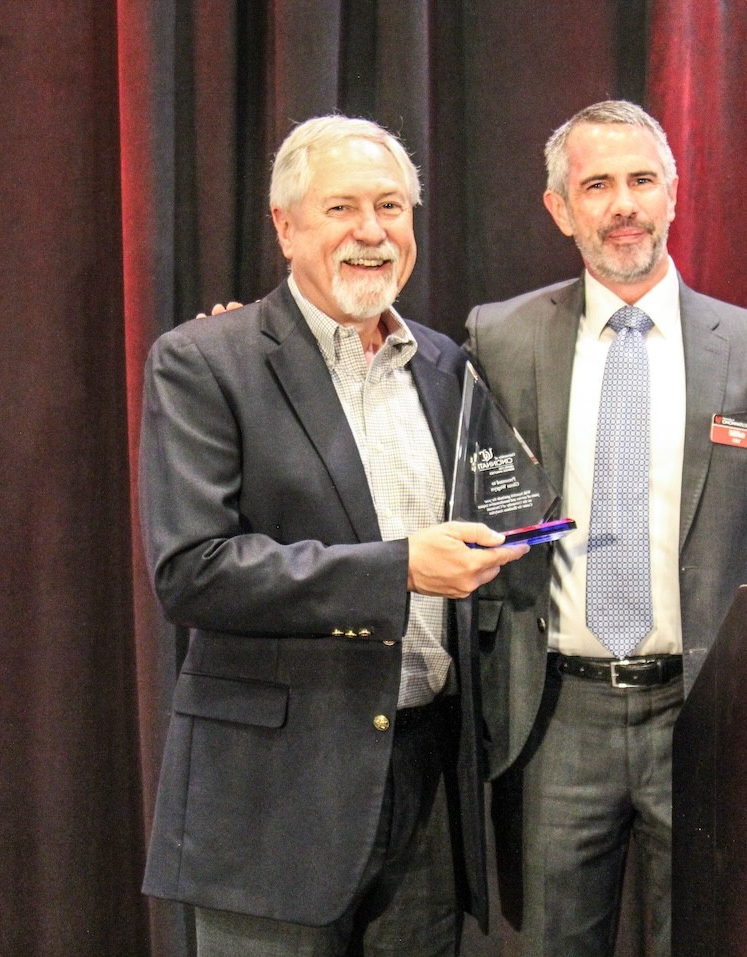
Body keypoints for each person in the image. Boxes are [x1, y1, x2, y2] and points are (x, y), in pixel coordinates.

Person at [139, 115, 528, 957]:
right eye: (341, 208)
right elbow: (192, 571)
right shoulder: (206, 360)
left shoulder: (446, 366)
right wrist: (400, 571)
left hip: (429, 781)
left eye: (391, 206)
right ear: (285, 226)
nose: (371, 232)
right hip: (274, 797)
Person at [464, 100, 747, 957]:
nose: (622, 203)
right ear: (560, 208)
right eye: (597, 185)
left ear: (674, 195)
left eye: (641, 181)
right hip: (556, 717)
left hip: (701, 718)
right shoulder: (499, 339)